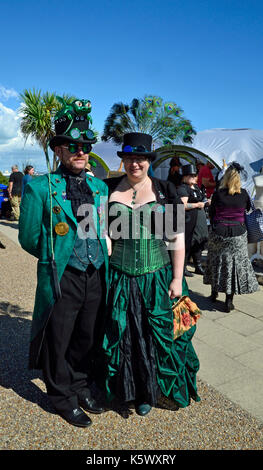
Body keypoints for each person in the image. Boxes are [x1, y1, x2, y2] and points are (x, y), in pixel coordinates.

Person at [19, 98, 109, 428]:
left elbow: (99, 228)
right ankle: (61, 397)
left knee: (87, 335)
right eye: (73, 145)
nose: (80, 151)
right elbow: (28, 237)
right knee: (60, 336)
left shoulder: (99, 187)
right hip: (63, 274)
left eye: (85, 145)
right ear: (59, 150)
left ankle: (81, 384)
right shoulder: (42, 188)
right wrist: (57, 254)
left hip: (96, 272)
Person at [100, 132, 200, 417]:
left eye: (140, 158)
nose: (135, 164)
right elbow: (101, 228)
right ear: (124, 160)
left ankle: (148, 392)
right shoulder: (107, 189)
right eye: (130, 158)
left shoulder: (166, 190)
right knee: (123, 334)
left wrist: (178, 278)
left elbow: (177, 238)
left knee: (153, 336)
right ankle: (125, 390)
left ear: (148, 160)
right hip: (118, 276)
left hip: (156, 275)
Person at [204, 162, 259, 312]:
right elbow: (248, 209)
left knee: (216, 261)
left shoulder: (217, 193)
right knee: (233, 265)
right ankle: (229, 300)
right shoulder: (245, 193)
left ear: (225, 178)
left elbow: (212, 213)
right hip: (238, 232)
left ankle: (214, 293)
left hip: (219, 232)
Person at [177, 164, 210, 277]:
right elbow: (183, 205)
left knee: (199, 242)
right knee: (188, 243)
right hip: (189, 220)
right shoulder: (183, 188)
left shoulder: (196, 187)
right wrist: (197, 205)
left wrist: (206, 202)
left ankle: (198, 266)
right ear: (185, 176)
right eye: (191, 175)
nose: (194, 177)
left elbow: (201, 200)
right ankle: (183, 267)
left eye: (195, 175)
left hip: (199, 219)